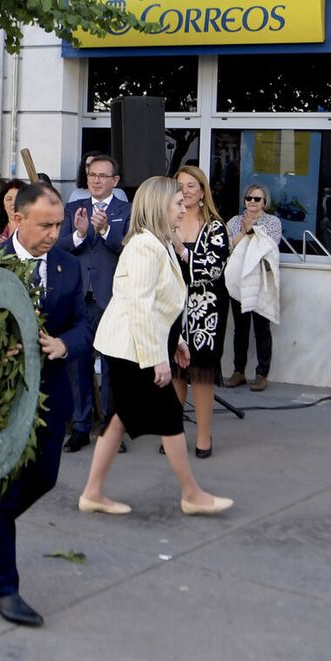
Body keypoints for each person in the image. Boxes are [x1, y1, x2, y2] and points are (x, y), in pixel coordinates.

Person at [0, 183, 90, 626]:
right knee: (0, 489)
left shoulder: (68, 266)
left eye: (60, 224)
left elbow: (84, 324)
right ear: (18, 219)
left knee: (44, 480)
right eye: (46, 225)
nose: (55, 233)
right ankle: (4, 590)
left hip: (50, 395)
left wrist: (64, 345)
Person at [77, 176, 233, 517]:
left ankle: (93, 492)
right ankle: (191, 493)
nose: (183, 207)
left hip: (133, 346)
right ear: (160, 207)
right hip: (133, 349)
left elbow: (157, 304)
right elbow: (140, 305)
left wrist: (174, 341)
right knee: (167, 417)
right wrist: (158, 358)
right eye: (178, 203)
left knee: (120, 418)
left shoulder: (156, 243)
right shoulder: (147, 245)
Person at [57, 154, 131, 451]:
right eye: (92, 175)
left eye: (103, 176)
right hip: (79, 298)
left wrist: (105, 231)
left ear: (115, 181)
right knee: (78, 363)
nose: (96, 180)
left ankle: (112, 430)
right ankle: (80, 426)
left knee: (113, 366)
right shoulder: (73, 208)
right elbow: (58, 247)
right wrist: (79, 233)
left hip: (111, 298)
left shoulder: (127, 210)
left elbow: (129, 248)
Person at [172, 166, 228, 458]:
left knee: (201, 374)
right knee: (176, 373)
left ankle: (203, 437)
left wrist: (182, 251)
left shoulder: (215, 226)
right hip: (174, 308)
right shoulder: (169, 221)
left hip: (206, 310)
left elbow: (213, 268)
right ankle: (172, 434)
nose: (186, 191)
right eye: (180, 185)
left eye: (192, 185)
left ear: (203, 191)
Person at [226, 184, 283, 390]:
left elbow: (271, 245)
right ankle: (238, 371)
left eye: (257, 199)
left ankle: (261, 374)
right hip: (239, 280)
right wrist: (245, 231)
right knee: (240, 329)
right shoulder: (234, 221)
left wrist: (253, 231)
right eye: (249, 198)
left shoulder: (272, 222)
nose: (252, 202)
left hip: (261, 281)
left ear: (264, 202)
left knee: (262, 329)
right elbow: (229, 245)